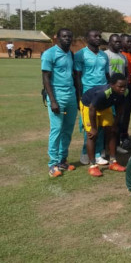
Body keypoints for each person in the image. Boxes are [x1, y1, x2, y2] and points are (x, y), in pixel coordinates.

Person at [42, 29, 78, 177]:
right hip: (57, 96)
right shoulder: (49, 54)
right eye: (64, 36)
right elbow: (45, 78)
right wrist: (53, 100)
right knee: (56, 129)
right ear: (57, 37)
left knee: (68, 130)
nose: (67, 39)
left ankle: (63, 160)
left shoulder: (71, 53)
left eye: (69, 36)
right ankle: (53, 164)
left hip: (71, 96)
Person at [80, 73, 129, 177]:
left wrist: (115, 124)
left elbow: (120, 108)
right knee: (92, 135)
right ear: (111, 85)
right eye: (120, 86)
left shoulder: (125, 92)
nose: (123, 89)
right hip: (89, 106)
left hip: (105, 107)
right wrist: (93, 128)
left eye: (125, 86)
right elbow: (92, 108)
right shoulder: (102, 93)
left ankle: (113, 162)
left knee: (112, 131)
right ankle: (92, 166)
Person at [74, 30, 110, 165]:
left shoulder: (103, 56)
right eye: (94, 36)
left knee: (101, 125)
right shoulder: (80, 55)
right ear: (87, 38)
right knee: (89, 126)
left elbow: (107, 76)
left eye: (99, 36)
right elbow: (77, 77)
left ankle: (98, 152)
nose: (98, 38)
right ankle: (85, 152)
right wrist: (79, 96)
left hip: (103, 92)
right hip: (88, 93)